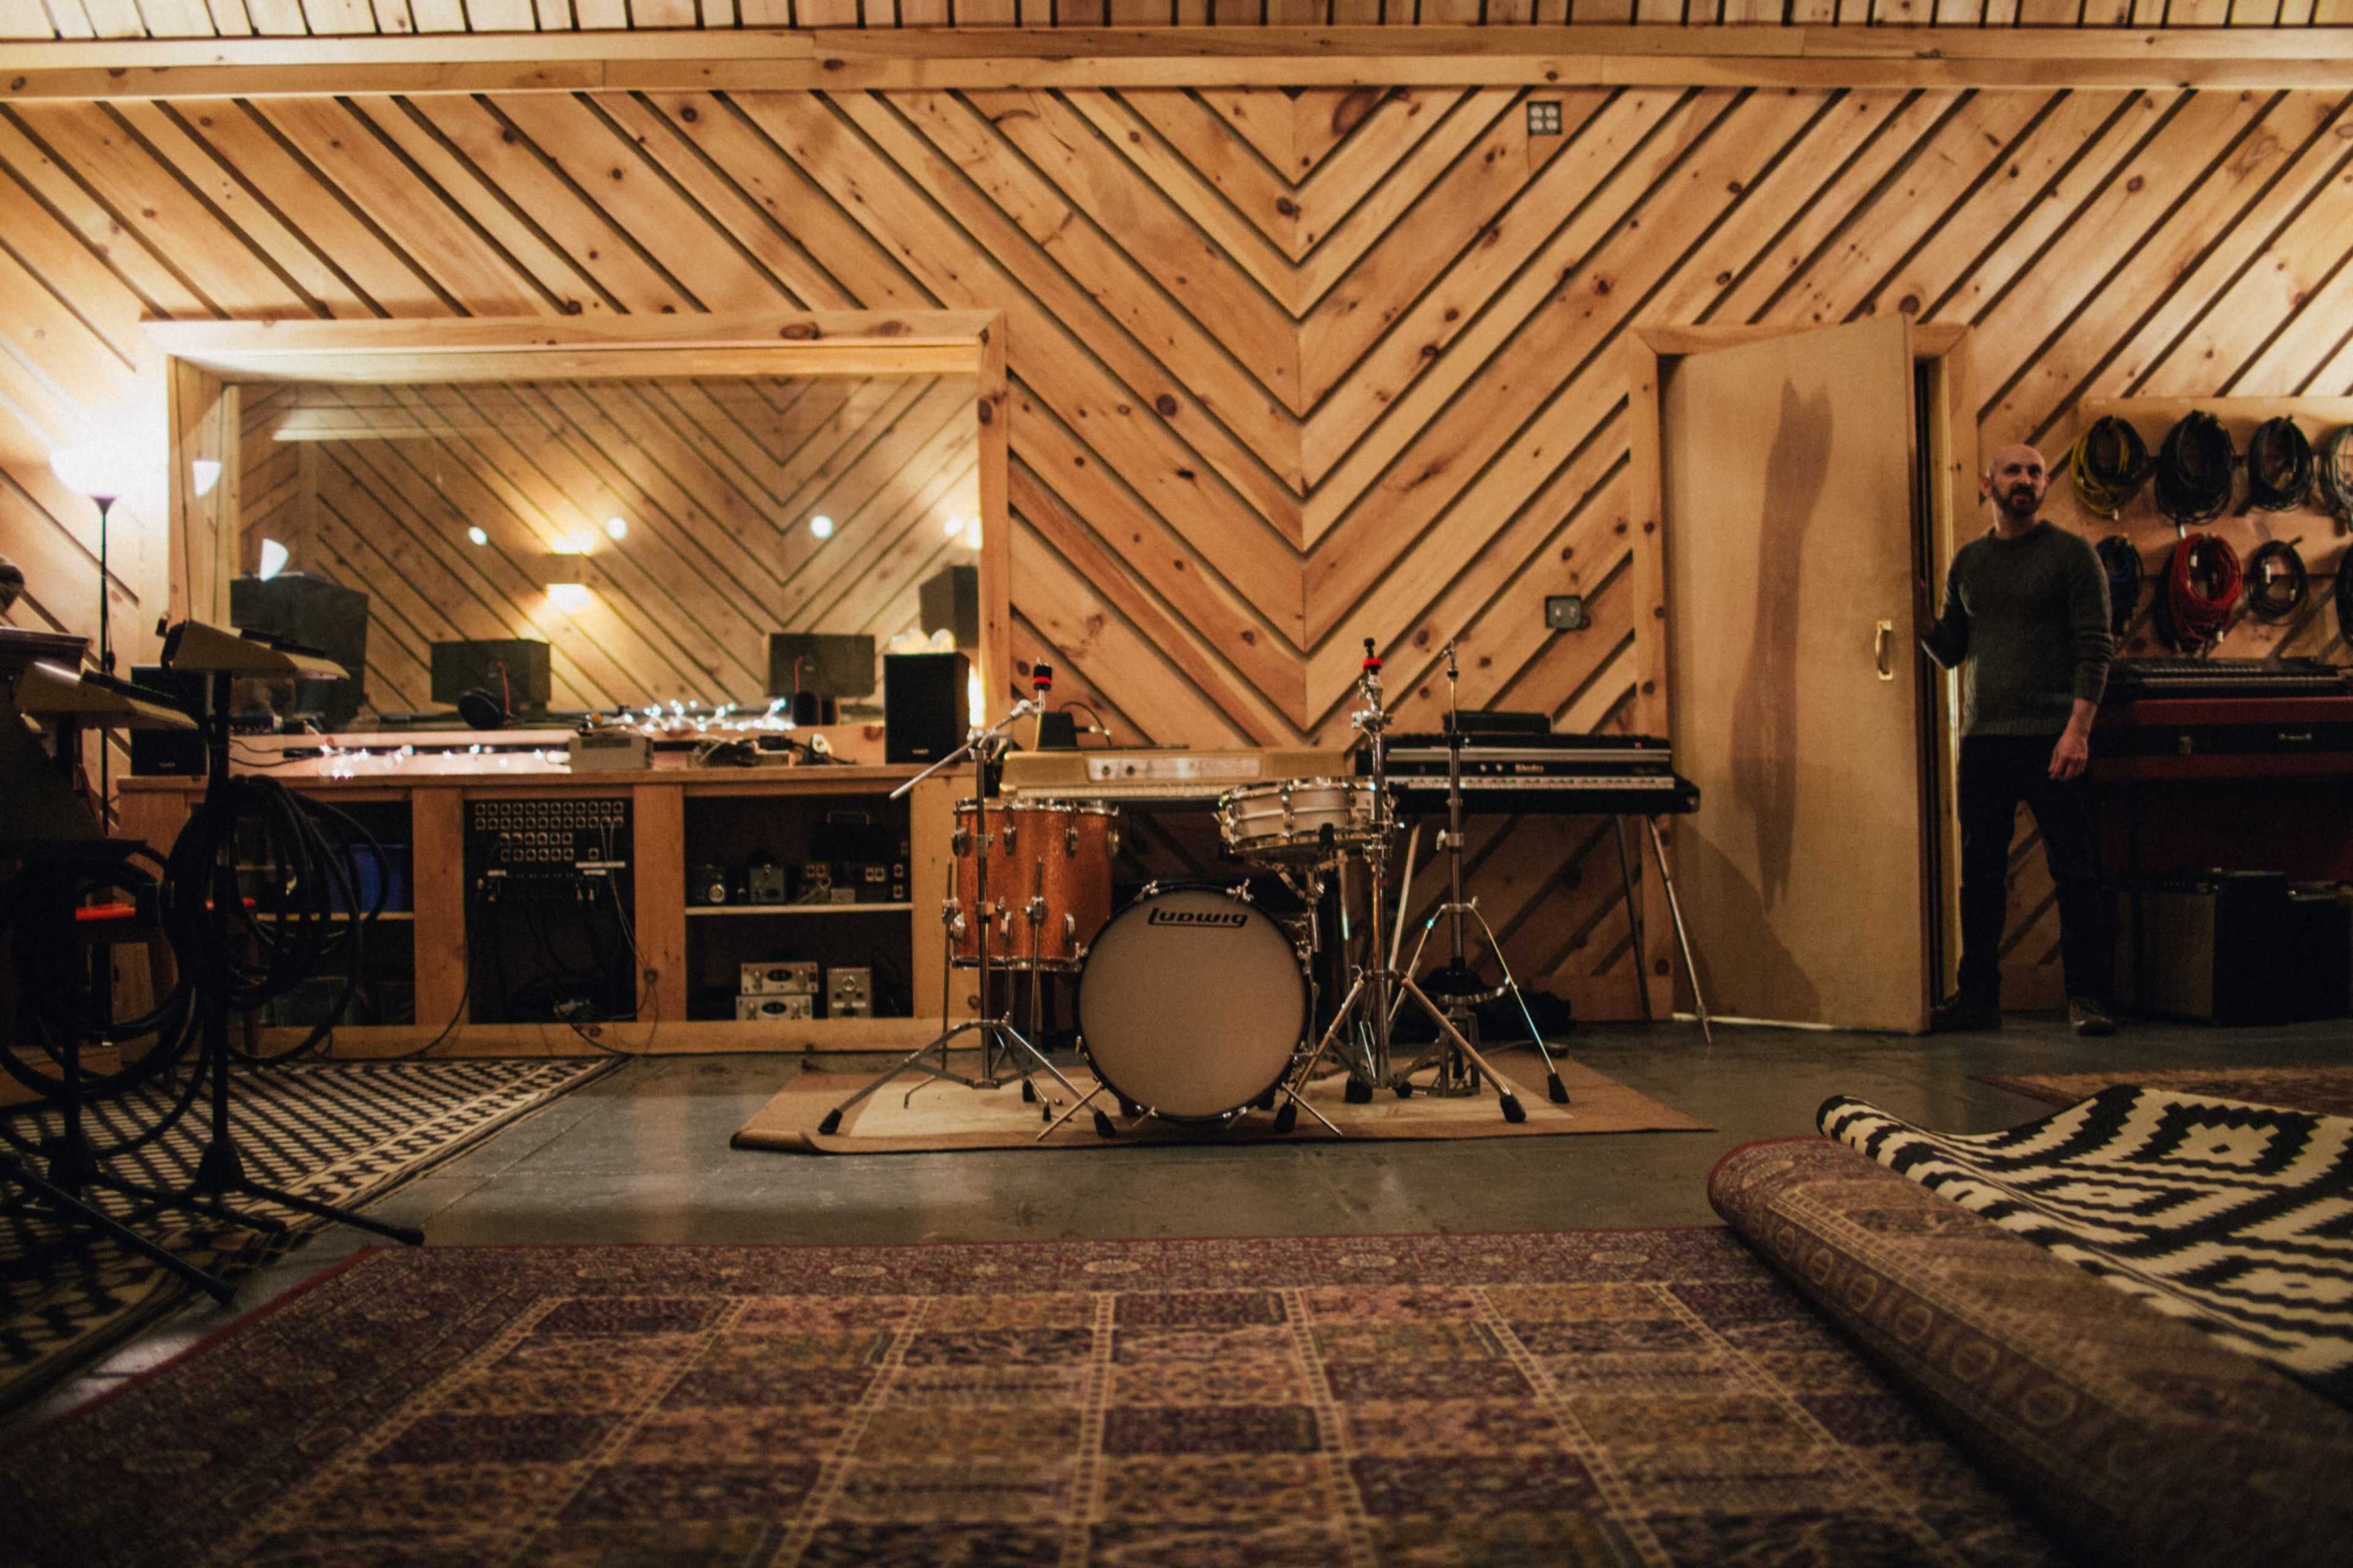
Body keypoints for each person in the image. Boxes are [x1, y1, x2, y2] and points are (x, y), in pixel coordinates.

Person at [1919, 443, 2116, 1037]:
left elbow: (2095, 647)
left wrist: (2077, 732)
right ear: (1990, 486)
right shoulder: (1969, 563)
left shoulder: (2072, 556)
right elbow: (1953, 650)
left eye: (2034, 472)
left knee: (2076, 872)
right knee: (1980, 875)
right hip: (1984, 740)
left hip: (2056, 738)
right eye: (2014, 471)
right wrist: (1921, 622)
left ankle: (2089, 997)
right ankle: (1978, 1000)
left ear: (2045, 485)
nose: (2025, 480)